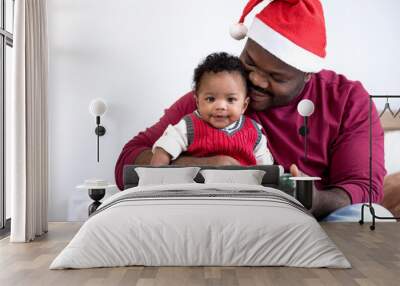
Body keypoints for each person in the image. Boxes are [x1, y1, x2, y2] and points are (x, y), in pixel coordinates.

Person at [115, 0, 386, 220]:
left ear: (307, 75)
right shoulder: (217, 99)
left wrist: (314, 200)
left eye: (275, 77)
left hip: (316, 220)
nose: (255, 80)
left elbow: (364, 189)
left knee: (363, 215)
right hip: (220, 218)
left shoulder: (347, 101)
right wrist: (207, 167)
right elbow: (126, 162)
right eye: (249, 63)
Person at [151, 52, 273, 166]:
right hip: (199, 187)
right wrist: (157, 176)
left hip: (243, 187)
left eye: (230, 100)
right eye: (210, 99)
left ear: (244, 105)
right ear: (198, 102)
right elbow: (164, 149)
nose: (220, 106)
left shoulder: (254, 132)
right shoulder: (188, 127)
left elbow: (266, 168)